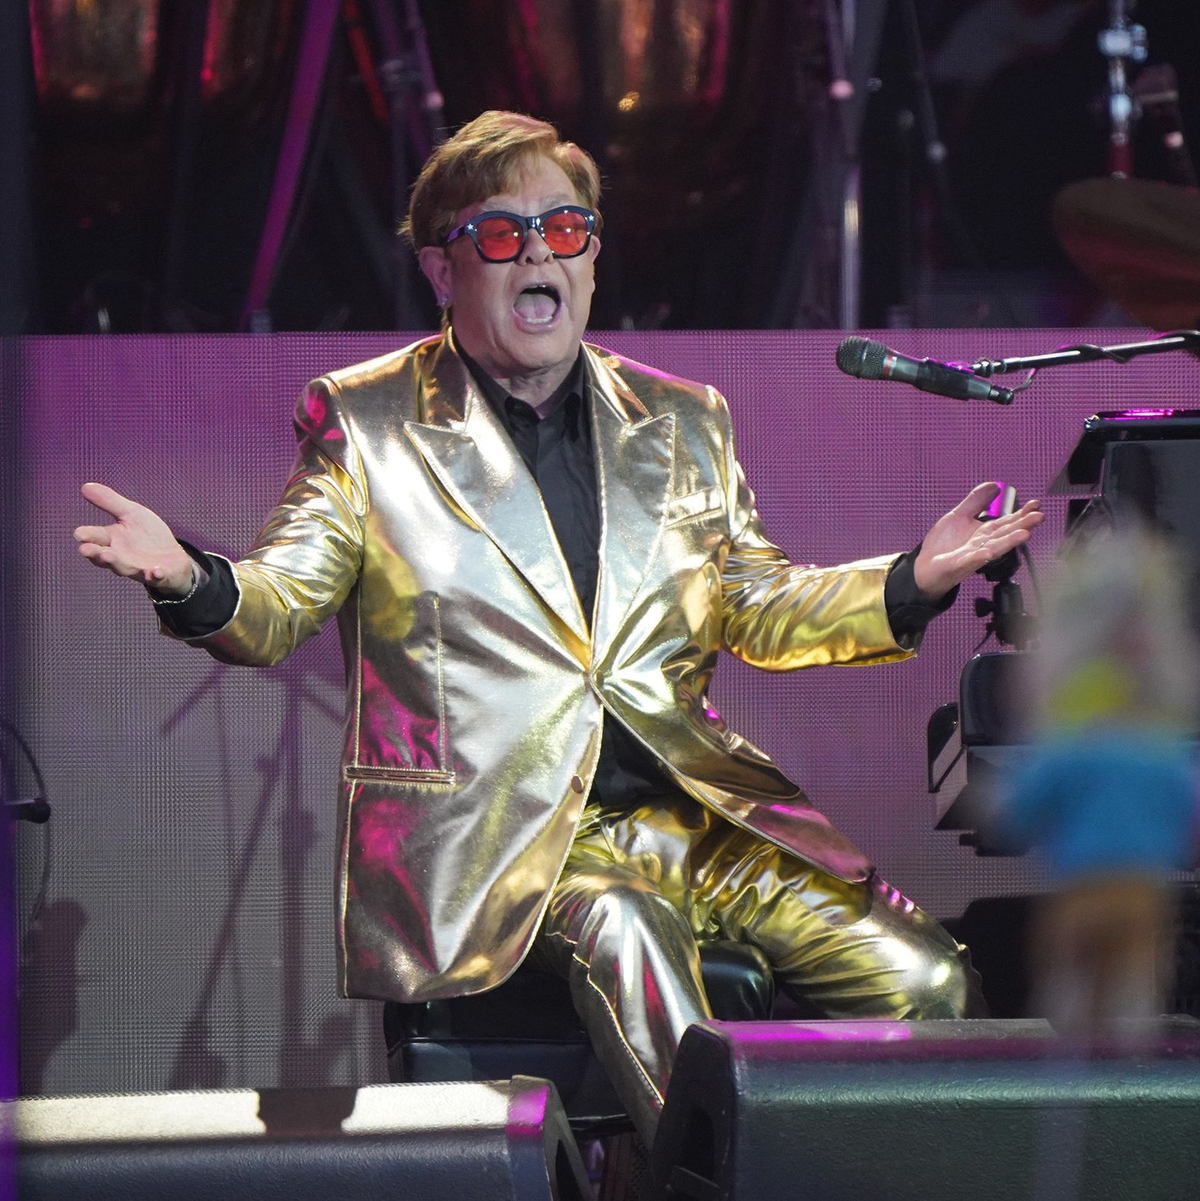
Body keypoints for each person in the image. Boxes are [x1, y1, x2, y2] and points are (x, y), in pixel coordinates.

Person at [75, 110, 1043, 1142]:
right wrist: (191, 579)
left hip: (690, 819)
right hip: (511, 841)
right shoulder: (366, 424)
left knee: (931, 981)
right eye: (502, 234)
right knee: (627, 936)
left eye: (565, 229)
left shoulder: (681, 421)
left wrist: (908, 581)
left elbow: (754, 604)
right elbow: (275, 606)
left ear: (591, 255)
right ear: (442, 270)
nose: (539, 253)